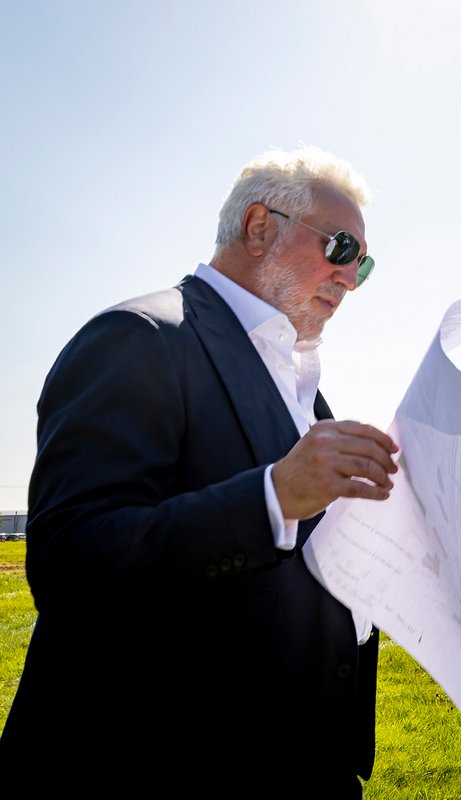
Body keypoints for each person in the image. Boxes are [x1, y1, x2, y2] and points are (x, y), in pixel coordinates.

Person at [0, 146, 399, 798]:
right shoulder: (139, 337)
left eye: (364, 262)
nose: (351, 278)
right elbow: (72, 563)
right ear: (259, 227)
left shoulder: (301, 385)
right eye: (341, 247)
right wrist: (270, 499)